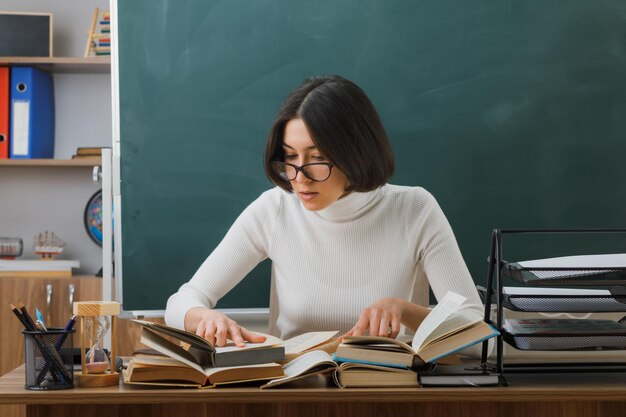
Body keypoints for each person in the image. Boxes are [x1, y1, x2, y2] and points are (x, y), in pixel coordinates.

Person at [165, 75, 484, 349]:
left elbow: (479, 331)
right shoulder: (274, 209)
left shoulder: (415, 209)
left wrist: (405, 310)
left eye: (316, 158)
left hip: (383, 391)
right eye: (290, 157)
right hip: (294, 392)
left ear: (354, 154)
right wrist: (202, 316)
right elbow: (180, 302)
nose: (299, 176)